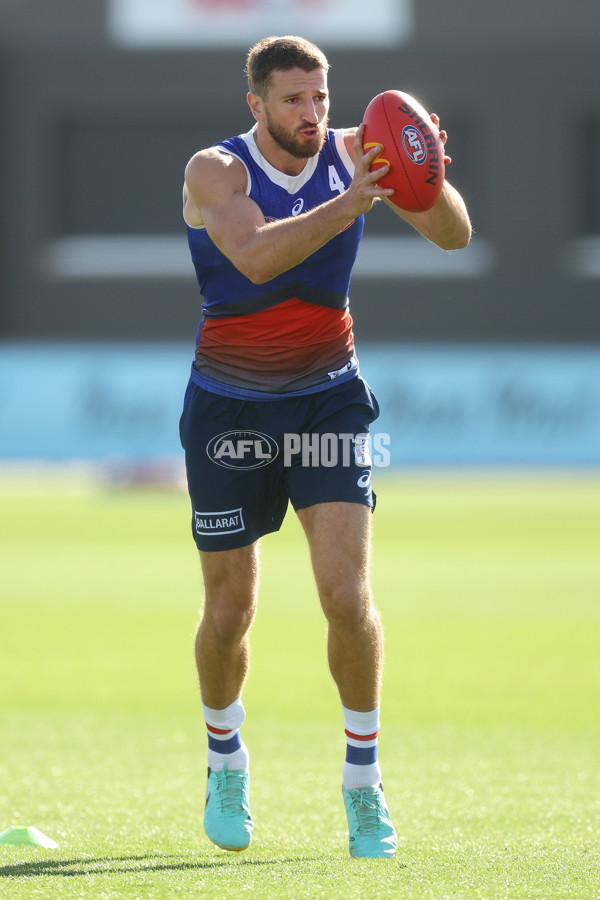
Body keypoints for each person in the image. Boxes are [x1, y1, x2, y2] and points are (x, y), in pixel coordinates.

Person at [180, 35, 471, 859]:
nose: (313, 114)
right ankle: (225, 759)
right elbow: (258, 257)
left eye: (321, 96)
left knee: (347, 596)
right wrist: (353, 202)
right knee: (230, 609)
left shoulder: (357, 153)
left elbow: (452, 235)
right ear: (257, 105)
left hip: (327, 403)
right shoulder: (217, 171)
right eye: (294, 100)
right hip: (229, 410)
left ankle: (364, 785)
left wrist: (425, 173)